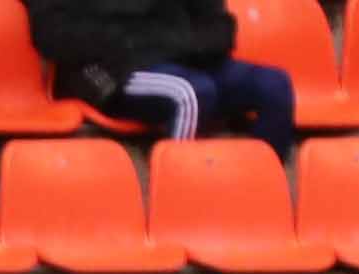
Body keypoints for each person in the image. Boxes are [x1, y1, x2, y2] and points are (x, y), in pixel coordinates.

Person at [27, 0, 294, 158]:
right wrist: (143, 46)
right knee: (192, 94)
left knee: (274, 87)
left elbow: (221, 27)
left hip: (183, 56)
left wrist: (175, 46)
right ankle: (180, 203)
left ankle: (261, 199)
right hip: (112, 70)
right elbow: (52, 35)